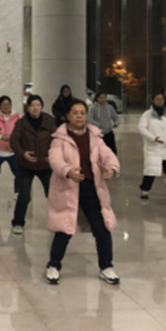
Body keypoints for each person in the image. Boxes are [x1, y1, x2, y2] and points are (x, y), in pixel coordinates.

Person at [46, 99, 121, 285]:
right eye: (75, 113)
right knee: (64, 229)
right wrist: (67, 171)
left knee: (102, 229)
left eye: (82, 113)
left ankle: (106, 266)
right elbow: (54, 159)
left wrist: (112, 168)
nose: (79, 116)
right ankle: (53, 265)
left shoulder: (95, 136)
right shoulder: (59, 139)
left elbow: (107, 154)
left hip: (91, 189)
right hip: (68, 189)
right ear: (67, 116)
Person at [10, 94, 56, 234]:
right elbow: (14, 140)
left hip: (45, 165)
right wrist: (22, 153)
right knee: (24, 196)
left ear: (41, 107)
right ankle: (18, 223)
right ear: (28, 107)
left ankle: (57, 221)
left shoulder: (49, 121)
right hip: (26, 166)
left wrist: (53, 155)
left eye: (38, 105)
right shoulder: (21, 123)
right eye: (32, 105)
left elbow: (57, 139)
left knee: (52, 195)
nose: (35, 108)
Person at [138, 92, 166, 199]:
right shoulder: (147, 114)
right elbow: (141, 128)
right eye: (157, 99)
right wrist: (152, 138)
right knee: (151, 170)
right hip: (153, 149)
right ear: (153, 100)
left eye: (162, 99)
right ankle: (145, 190)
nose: (160, 101)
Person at [87, 91, 120, 155]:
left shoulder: (110, 107)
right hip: (98, 134)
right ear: (97, 98)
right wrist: (98, 125)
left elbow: (116, 117)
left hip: (109, 133)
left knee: (112, 152)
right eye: (101, 97)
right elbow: (89, 119)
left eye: (104, 97)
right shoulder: (93, 108)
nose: (103, 99)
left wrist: (116, 123)